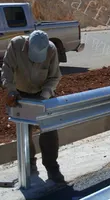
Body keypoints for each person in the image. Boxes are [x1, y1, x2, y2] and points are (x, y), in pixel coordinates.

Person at [1, 30, 65, 183]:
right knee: (24, 132)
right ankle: (30, 166)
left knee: (49, 130)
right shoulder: (16, 45)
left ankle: (52, 167)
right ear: (28, 43)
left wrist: (44, 97)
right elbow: (6, 69)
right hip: (20, 94)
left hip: (43, 94)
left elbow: (55, 76)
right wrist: (10, 90)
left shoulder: (51, 49)